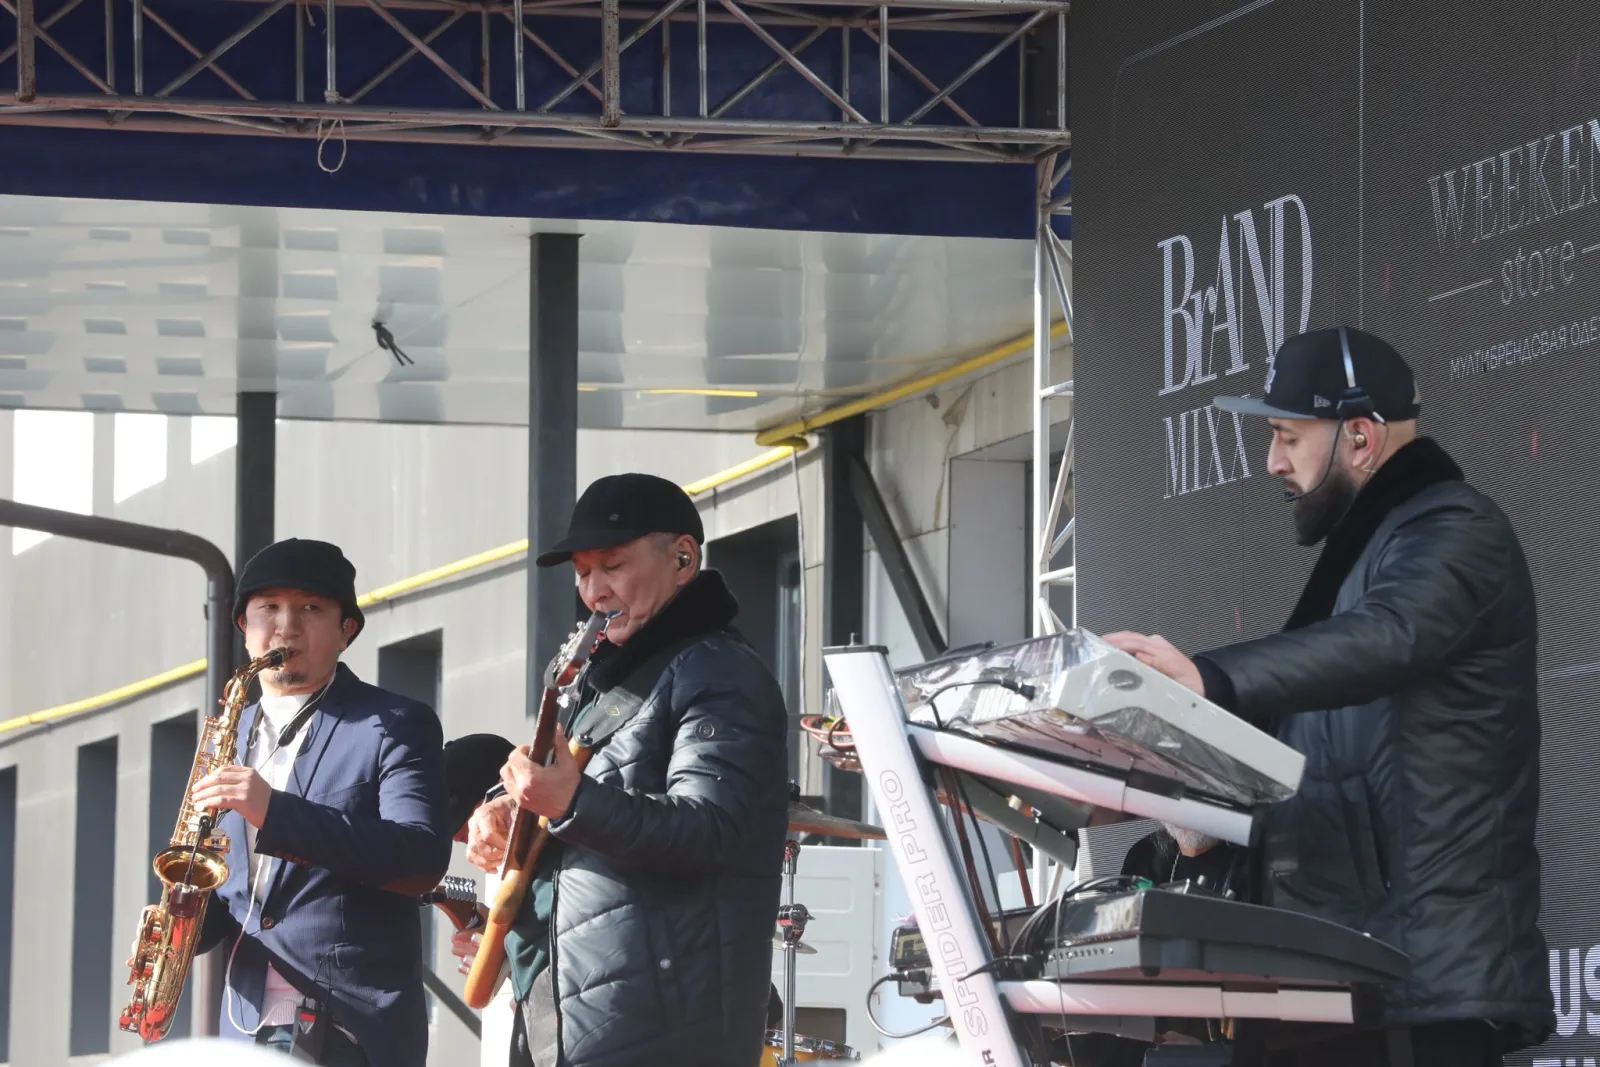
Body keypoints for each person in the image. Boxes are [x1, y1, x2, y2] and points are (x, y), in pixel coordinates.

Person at [1105, 327, 1553, 1066]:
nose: (1272, 461)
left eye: (1287, 436)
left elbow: (1388, 637)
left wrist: (1209, 680)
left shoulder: (1457, 528)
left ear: (1361, 438)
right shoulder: (1368, 554)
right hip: (1331, 979)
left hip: (1413, 990)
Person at [461, 472, 790, 1067]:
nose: (593, 591)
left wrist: (570, 803)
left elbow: (712, 830)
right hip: (573, 1016)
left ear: (683, 558)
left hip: (661, 1029)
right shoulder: (607, 675)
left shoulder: (720, 672)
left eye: (611, 566)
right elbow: (584, 806)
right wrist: (507, 807)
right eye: (582, 572)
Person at [185, 538, 453, 1066]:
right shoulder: (226, 736)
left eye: (310, 608)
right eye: (268, 608)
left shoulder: (395, 724)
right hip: (243, 1028)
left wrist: (274, 811)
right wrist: (179, 927)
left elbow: (421, 856)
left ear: (346, 630)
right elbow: (230, 894)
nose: (285, 627)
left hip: (349, 1029)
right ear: (243, 627)